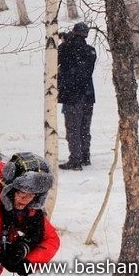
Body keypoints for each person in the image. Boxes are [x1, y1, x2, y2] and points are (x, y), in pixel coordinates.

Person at [0, 152, 61, 276]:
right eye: (23, 194)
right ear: (9, 188)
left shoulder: (26, 209)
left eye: (33, 195)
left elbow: (51, 239)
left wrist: (26, 257)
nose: (27, 200)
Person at [57, 22, 97, 170]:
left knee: (73, 128)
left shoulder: (65, 49)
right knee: (84, 128)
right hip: (88, 95)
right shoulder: (91, 51)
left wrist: (66, 41)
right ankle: (85, 156)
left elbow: (55, 60)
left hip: (72, 95)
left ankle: (75, 159)